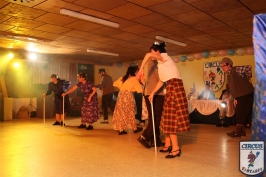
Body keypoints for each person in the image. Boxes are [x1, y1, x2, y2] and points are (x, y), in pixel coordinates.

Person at [137, 42, 190, 158]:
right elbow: (161, 81)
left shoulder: (164, 57)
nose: (151, 54)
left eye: (153, 52)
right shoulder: (161, 65)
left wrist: (141, 69)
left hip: (175, 87)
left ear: (157, 52)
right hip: (171, 87)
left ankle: (175, 149)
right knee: (167, 117)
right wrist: (152, 93)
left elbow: (147, 55)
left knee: (171, 118)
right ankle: (168, 144)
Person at [137, 48, 165, 149]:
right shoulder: (154, 63)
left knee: (154, 117)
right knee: (156, 118)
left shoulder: (147, 64)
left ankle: (155, 139)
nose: (157, 54)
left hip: (149, 91)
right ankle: (144, 136)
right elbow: (161, 79)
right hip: (155, 93)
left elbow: (143, 80)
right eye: (155, 52)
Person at [220, 57, 254, 138]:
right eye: (221, 66)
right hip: (240, 95)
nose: (222, 68)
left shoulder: (236, 69)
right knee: (241, 112)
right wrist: (235, 98)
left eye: (223, 65)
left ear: (229, 65)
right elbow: (233, 88)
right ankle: (241, 131)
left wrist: (248, 77)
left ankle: (238, 132)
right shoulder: (229, 75)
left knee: (240, 112)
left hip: (246, 93)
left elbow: (248, 68)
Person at [111, 66, 143, 135]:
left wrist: (122, 88)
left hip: (121, 95)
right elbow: (140, 90)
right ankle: (135, 128)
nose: (137, 73)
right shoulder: (135, 79)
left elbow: (114, 83)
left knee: (121, 112)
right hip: (128, 95)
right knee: (130, 111)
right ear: (134, 72)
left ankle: (121, 129)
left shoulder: (123, 77)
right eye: (137, 71)